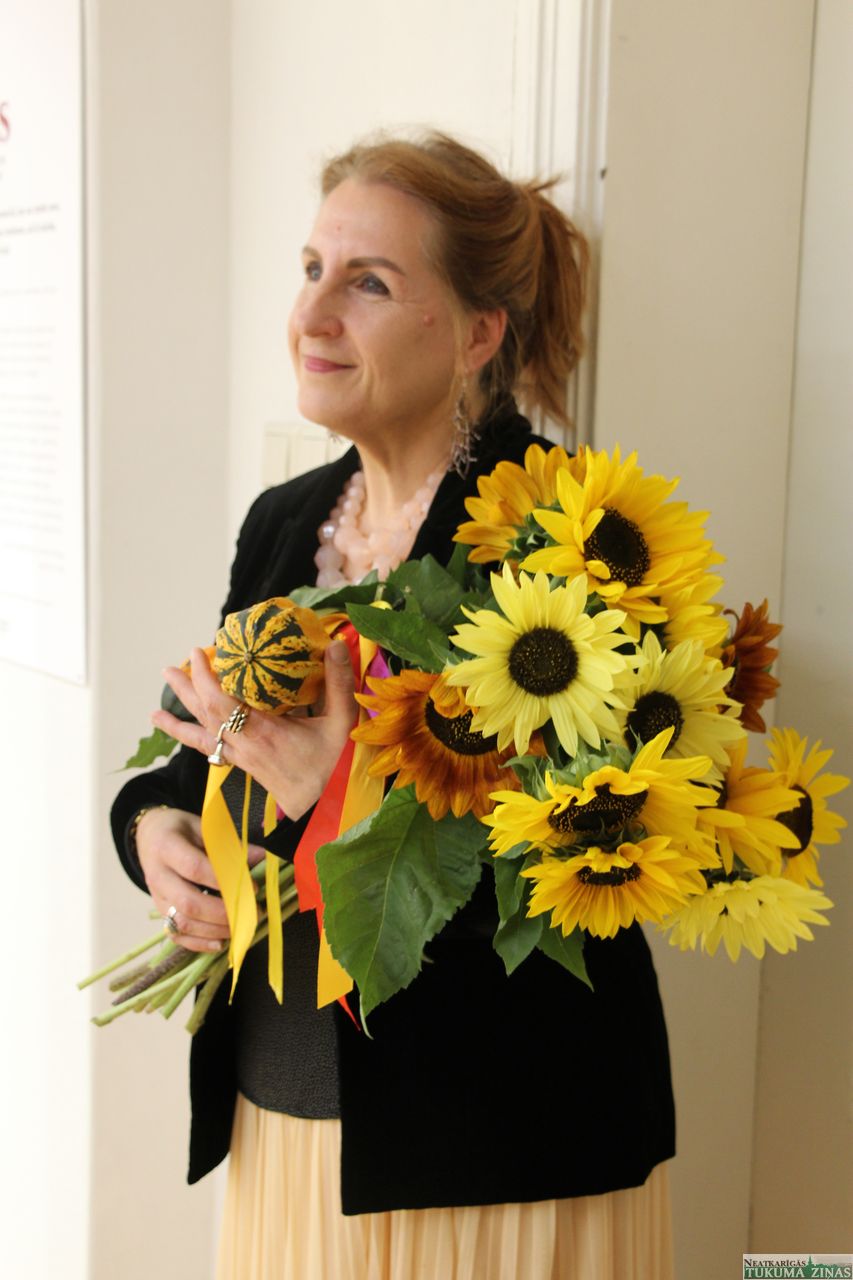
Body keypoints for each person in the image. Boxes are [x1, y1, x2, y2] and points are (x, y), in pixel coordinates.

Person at [111, 132, 675, 1280]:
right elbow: (206, 753)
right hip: (285, 1120)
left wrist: (339, 797)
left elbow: (604, 858)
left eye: (367, 282)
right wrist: (155, 829)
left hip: (495, 1143)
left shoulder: (574, 533)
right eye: (311, 269)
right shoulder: (286, 519)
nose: (311, 315)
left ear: (476, 334)